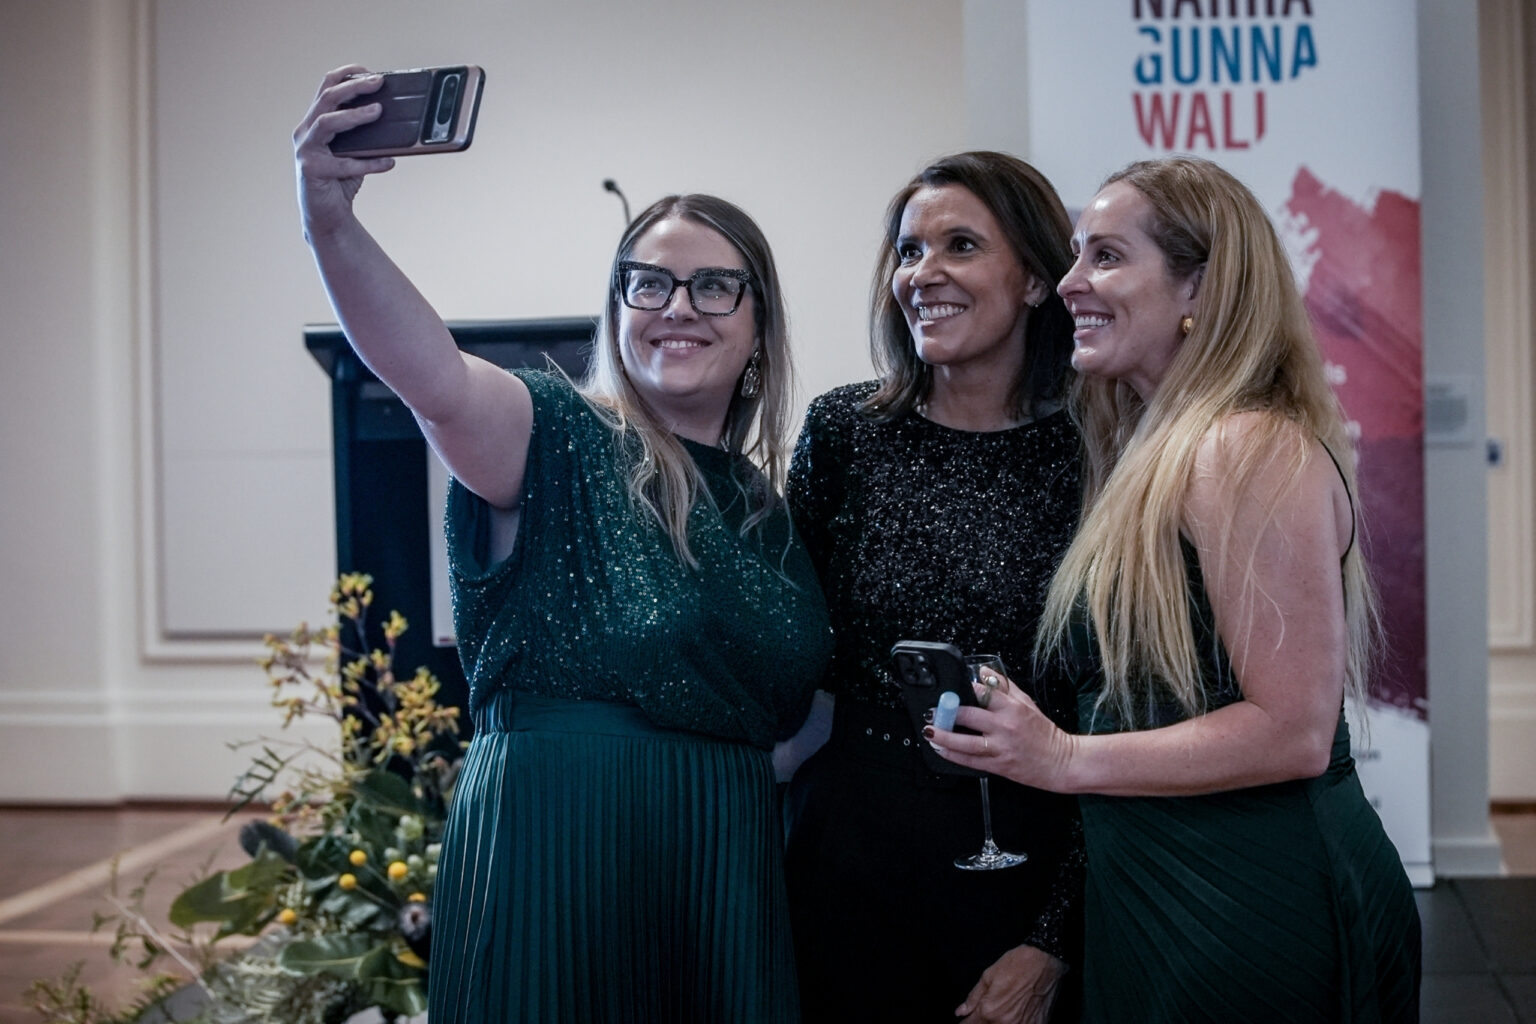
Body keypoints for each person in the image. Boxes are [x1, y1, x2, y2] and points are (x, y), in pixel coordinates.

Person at [293, 66, 833, 1023]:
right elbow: (432, 377)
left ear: (758, 329)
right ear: (617, 310)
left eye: (714, 287)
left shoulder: (766, 507)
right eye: (649, 283)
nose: (678, 306)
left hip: (721, 865)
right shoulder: (557, 434)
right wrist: (328, 220)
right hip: (559, 848)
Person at [930, 156, 1423, 1023]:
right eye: (1076, 255)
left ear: (1201, 286)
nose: (1071, 283)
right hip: (1162, 882)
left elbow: (1294, 732)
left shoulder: (1242, 447)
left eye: (1108, 256)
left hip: (1250, 896)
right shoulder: (1149, 445)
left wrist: (1063, 757)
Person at [784, 151, 1086, 1024]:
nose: (923, 274)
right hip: (852, 842)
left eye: (961, 245)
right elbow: (793, 643)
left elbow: (1117, 713)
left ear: (1035, 280)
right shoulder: (844, 430)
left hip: (1028, 843)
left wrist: (1056, 937)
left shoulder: (1095, 449)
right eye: (910, 250)